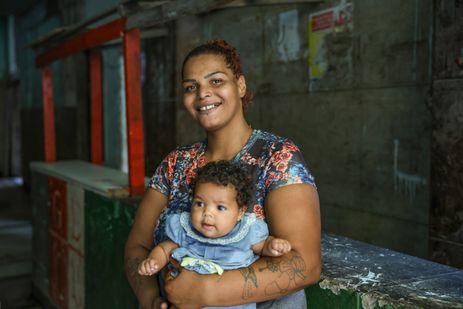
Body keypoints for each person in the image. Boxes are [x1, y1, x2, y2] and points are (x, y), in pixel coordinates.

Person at [125, 39, 321, 309]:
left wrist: (206, 292)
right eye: (191, 87)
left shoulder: (278, 157)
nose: (203, 93)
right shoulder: (175, 163)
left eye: (216, 81)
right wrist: (151, 300)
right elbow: (137, 247)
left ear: (240, 85)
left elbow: (305, 264)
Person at [138, 160, 292, 309]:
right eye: (200, 204)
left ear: (240, 213)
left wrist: (272, 245)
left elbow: (263, 246)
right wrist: (154, 261)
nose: (207, 214)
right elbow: (165, 249)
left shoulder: (244, 233)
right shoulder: (185, 229)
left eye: (220, 208)